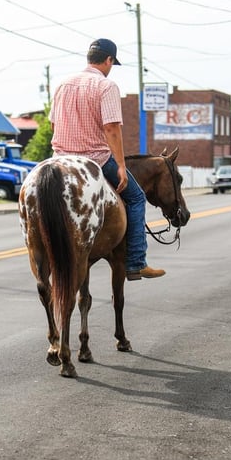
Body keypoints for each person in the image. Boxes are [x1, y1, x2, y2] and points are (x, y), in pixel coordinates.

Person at [49, 38, 165, 281]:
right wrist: (121, 165)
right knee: (135, 197)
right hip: (94, 160)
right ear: (109, 60)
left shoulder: (62, 84)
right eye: (112, 63)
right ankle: (136, 262)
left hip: (59, 160)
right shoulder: (106, 85)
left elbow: (53, 124)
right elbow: (111, 128)